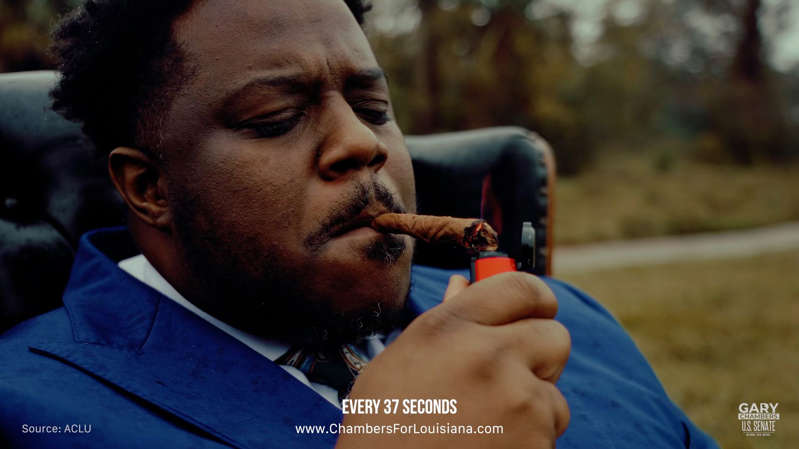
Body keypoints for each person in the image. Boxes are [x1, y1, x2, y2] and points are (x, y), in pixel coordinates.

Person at [0, 1, 719, 448]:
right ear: (150, 187)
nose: (361, 142)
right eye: (276, 118)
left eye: (373, 108)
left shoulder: (566, 325)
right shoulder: (27, 409)